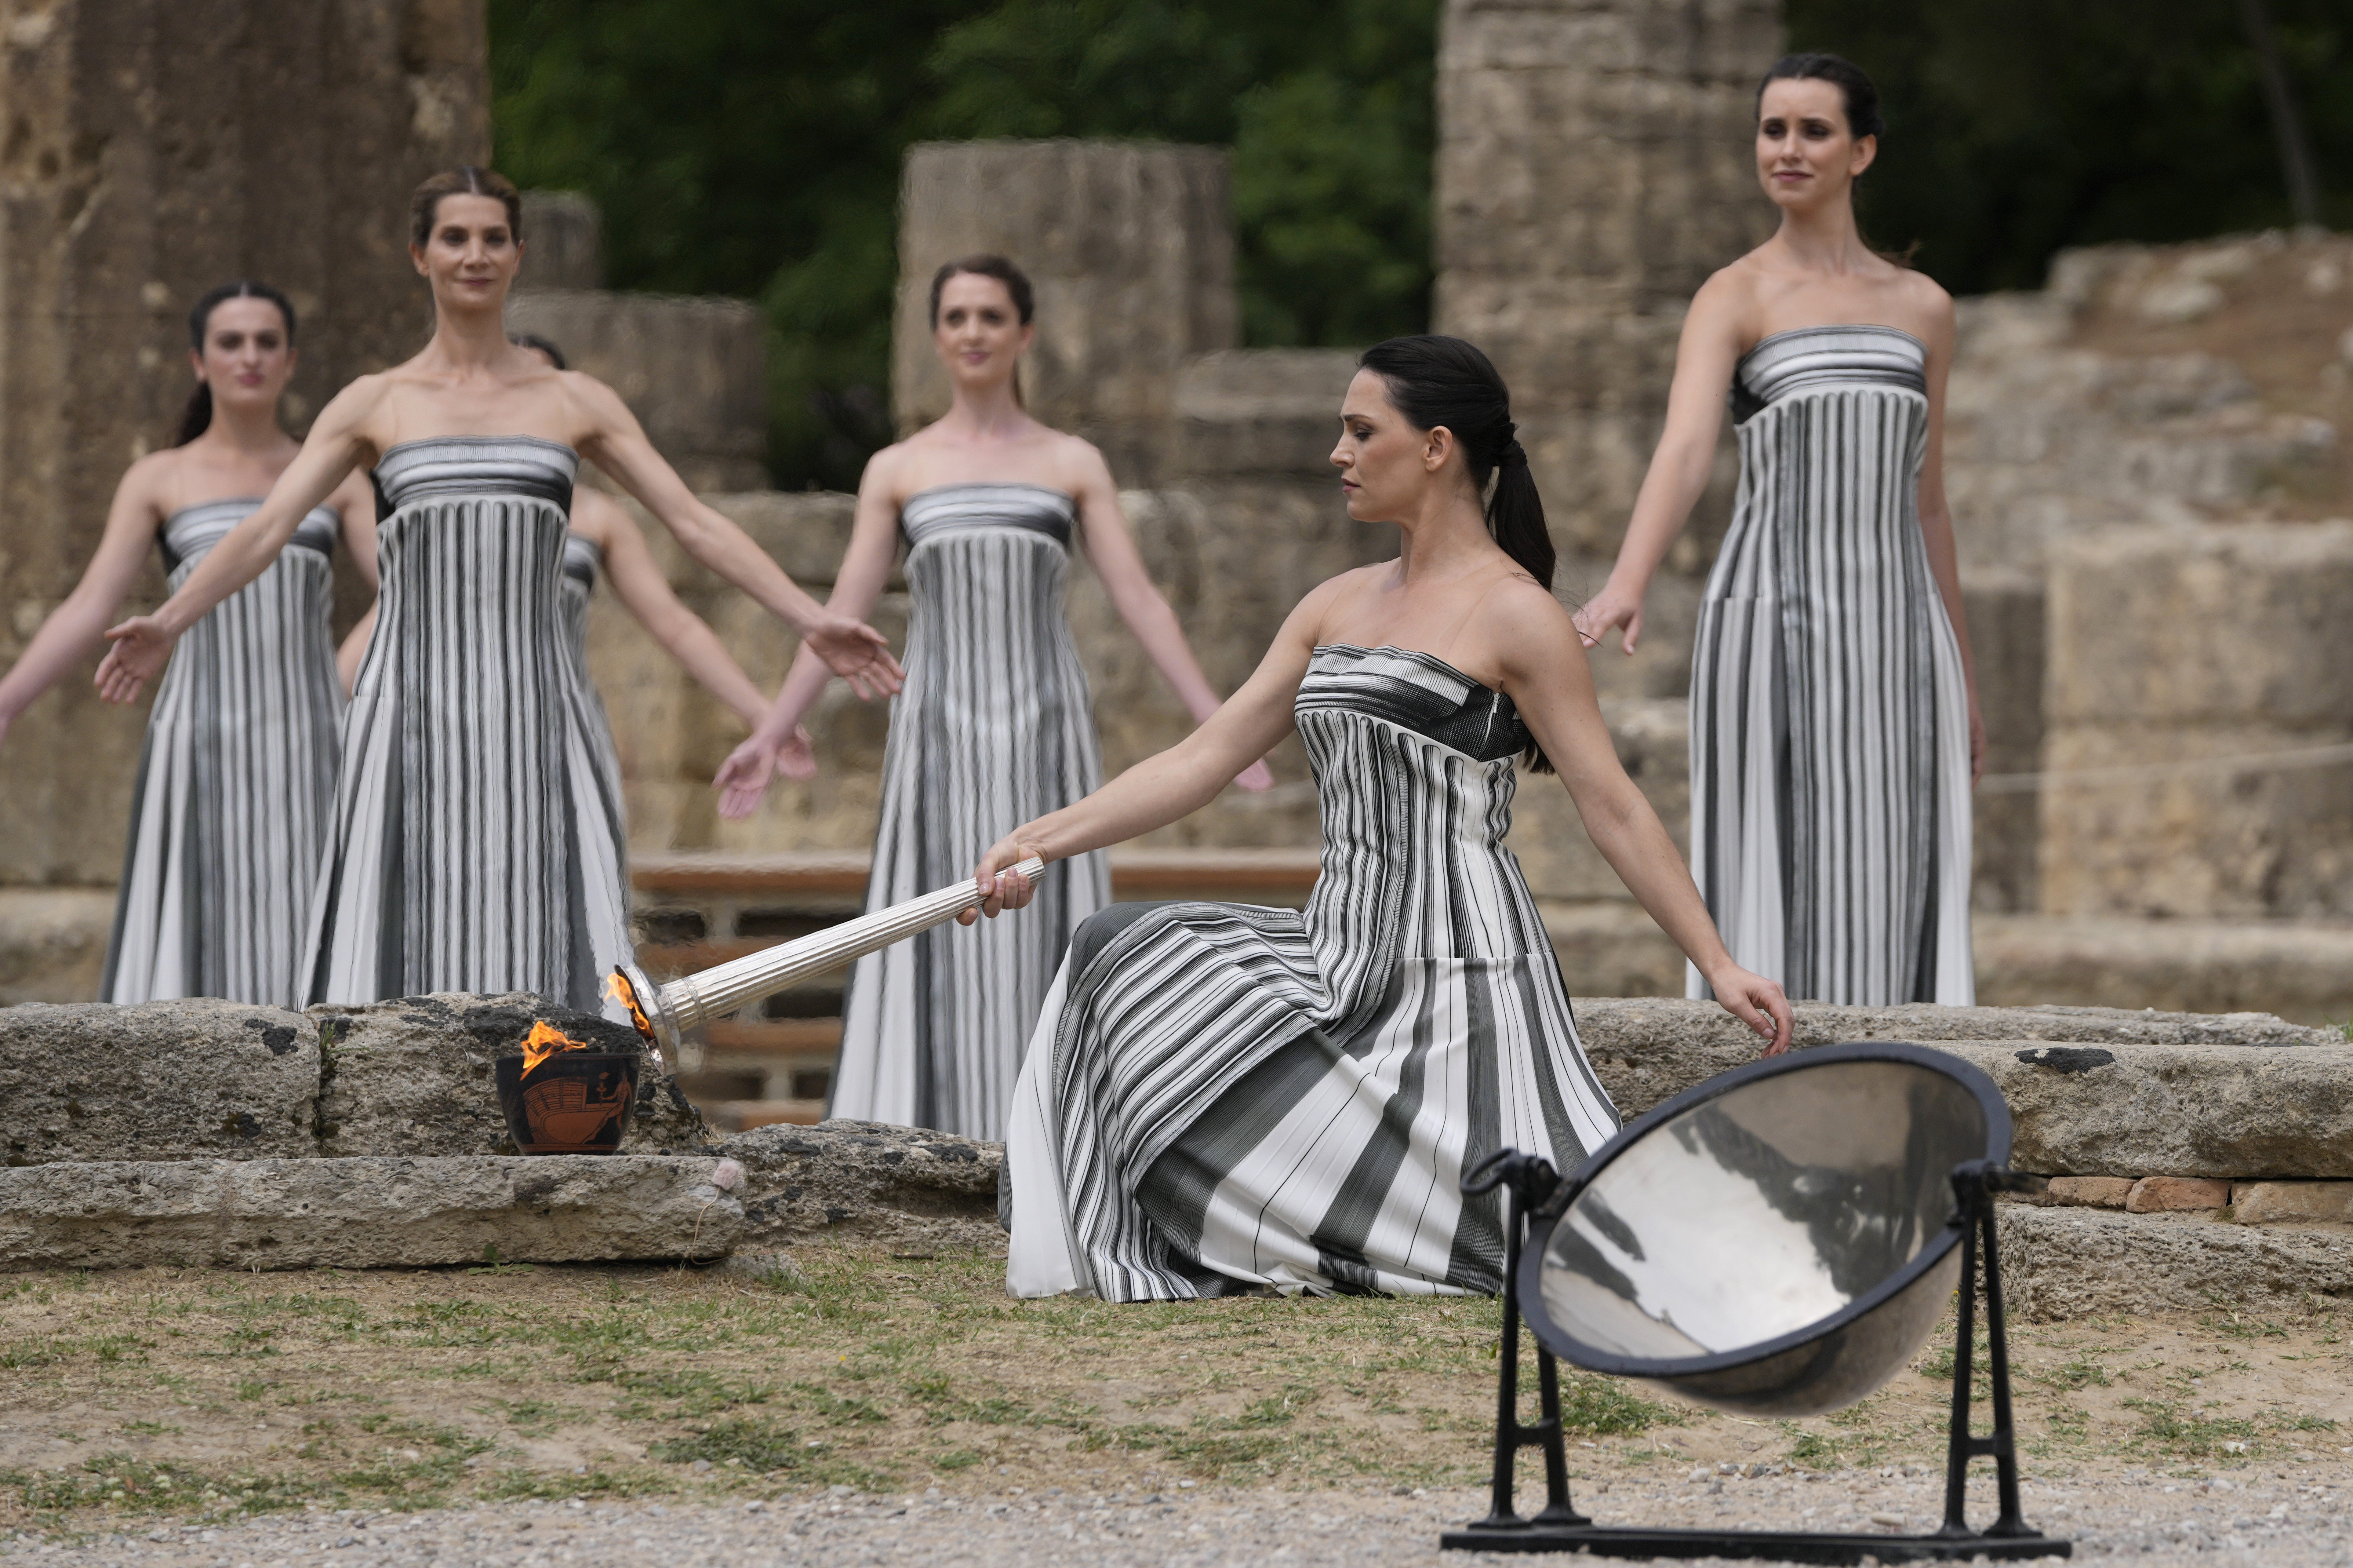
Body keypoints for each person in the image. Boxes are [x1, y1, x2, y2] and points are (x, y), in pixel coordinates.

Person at [969, 335, 1793, 1302]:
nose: (1338, 454)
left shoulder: (1517, 614)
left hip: (1458, 980)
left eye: (1362, 432)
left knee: (1575, 1257)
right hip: (1336, 952)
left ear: (1437, 447)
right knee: (1116, 950)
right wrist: (1040, 837)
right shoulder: (1333, 604)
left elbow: (1609, 804)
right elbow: (1202, 759)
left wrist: (1718, 960)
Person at [95, 168, 902, 1010]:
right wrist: (170, 620)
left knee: (551, 926)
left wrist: (812, 619)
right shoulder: (375, 404)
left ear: (517, 255)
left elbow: (692, 523)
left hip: (537, 707)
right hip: (407, 710)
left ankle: (567, 1102)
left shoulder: (571, 401)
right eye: (454, 238)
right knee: (400, 928)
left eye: (491, 238)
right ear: (420, 256)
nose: (473, 255)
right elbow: (263, 531)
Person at [715, 255, 1271, 1142]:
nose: (972, 332)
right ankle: (917, 1136)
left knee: (1050, 915)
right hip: (934, 733)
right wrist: (771, 729)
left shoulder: (1070, 461)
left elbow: (1139, 600)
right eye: (957, 317)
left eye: (990, 316)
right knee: (936, 918)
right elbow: (843, 612)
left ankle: (1059, 1139)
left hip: (1047, 731)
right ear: (936, 336)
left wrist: (1221, 722)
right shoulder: (897, 468)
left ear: (1024, 333)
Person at [1571, 52, 1980, 1008]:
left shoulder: (1924, 310)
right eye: (1772, 130)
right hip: (1769, 622)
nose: (1786, 149)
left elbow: (1929, 499)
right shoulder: (1734, 295)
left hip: (1898, 632)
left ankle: (1904, 1112)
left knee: (1897, 868)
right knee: (1771, 866)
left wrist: (1957, 666)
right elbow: (1682, 450)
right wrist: (1627, 579)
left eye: (1812, 131)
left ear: (1861, 151)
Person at [0, 282, 377, 1004]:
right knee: (201, 919)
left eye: (267, 342)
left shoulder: (334, 477)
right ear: (198, 362)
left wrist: (339, 673)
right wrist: (10, 702)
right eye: (230, 342)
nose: (250, 357)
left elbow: (401, 592)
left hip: (311, 734)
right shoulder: (159, 477)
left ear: (291, 360)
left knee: (308, 908)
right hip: (198, 733)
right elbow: (89, 605)